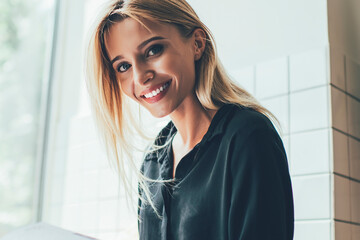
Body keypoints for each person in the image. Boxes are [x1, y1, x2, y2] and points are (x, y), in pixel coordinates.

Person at [85, 0, 294, 239]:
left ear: (197, 43)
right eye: (123, 66)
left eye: (153, 50)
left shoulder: (248, 137)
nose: (141, 76)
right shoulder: (151, 164)